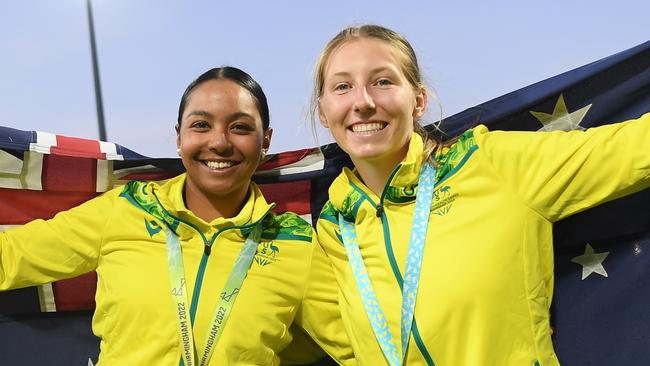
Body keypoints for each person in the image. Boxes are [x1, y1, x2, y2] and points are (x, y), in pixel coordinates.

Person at [312, 24, 650, 366]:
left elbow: (635, 149)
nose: (364, 102)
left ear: (418, 100)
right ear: (323, 112)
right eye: (343, 86)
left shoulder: (489, 162)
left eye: (383, 81)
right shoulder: (333, 228)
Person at [0, 67, 353, 365]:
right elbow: (11, 258)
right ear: (179, 138)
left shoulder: (295, 243)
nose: (219, 142)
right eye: (200, 125)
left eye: (241, 127)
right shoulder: (124, 208)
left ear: (265, 142)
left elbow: (363, 347)